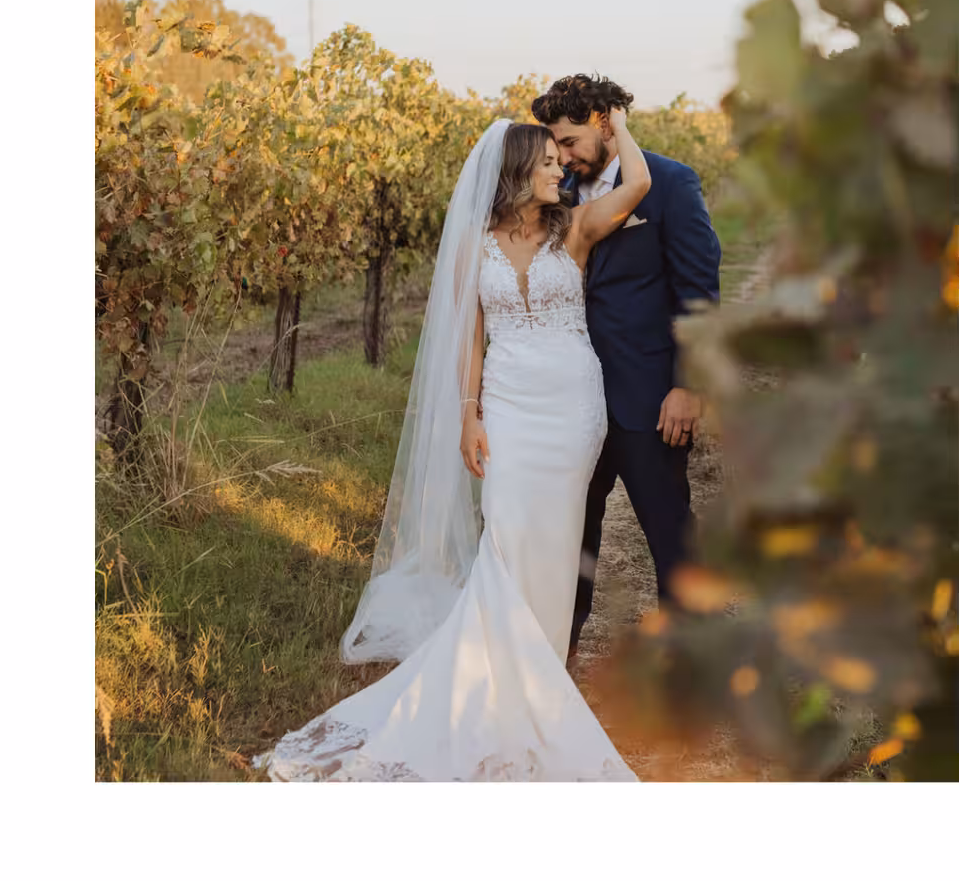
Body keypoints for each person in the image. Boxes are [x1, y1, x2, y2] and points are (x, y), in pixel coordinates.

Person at [252, 112, 650, 782]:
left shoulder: (575, 229)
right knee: (506, 538)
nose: (562, 170)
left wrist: (619, 128)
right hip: (510, 406)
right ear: (517, 171)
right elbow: (469, 336)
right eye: (549, 161)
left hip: (573, 408)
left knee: (554, 548)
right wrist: (470, 416)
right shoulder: (475, 244)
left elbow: (636, 181)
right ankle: (485, 691)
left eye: (563, 159)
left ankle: (537, 687)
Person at [530, 74, 722, 658]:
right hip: (570, 406)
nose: (560, 157)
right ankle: (552, 671)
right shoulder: (553, 194)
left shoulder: (668, 184)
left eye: (568, 142)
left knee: (671, 540)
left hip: (647, 400)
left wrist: (687, 386)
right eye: (554, 146)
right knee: (570, 545)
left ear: (604, 124)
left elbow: (698, 294)